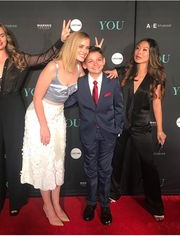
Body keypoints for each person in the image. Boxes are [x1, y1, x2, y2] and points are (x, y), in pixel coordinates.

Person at [0, 20, 71, 218]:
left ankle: (16, 200)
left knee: (15, 156)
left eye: (1, 35)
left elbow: (45, 57)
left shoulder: (19, 59)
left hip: (14, 108)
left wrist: (61, 41)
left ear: (7, 38)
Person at [20, 31, 91, 226]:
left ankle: (56, 204)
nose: (85, 51)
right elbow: (36, 98)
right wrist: (43, 126)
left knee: (58, 160)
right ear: (71, 46)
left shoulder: (80, 69)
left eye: (87, 47)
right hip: (39, 115)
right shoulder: (54, 66)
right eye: (81, 46)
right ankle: (48, 206)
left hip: (58, 116)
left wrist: (107, 64)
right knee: (44, 162)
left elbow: (94, 76)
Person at [107, 38, 167, 221]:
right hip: (121, 125)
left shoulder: (155, 78)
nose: (139, 52)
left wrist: (160, 129)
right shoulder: (124, 71)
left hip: (141, 127)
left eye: (145, 50)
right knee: (116, 161)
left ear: (152, 54)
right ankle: (113, 193)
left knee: (148, 166)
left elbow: (156, 103)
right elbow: (101, 74)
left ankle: (156, 205)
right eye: (138, 48)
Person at [65, 46, 124, 225]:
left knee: (105, 171)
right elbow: (67, 101)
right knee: (91, 170)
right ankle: (91, 203)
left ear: (104, 61)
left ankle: (105, 205)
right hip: (88, 133)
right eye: (90, 61)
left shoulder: (112, 81)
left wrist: (117, 128)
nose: (95, 64)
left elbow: (119, 107)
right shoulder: (80, 83)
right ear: (84, 64)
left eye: (98, 60)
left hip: (109, 134)